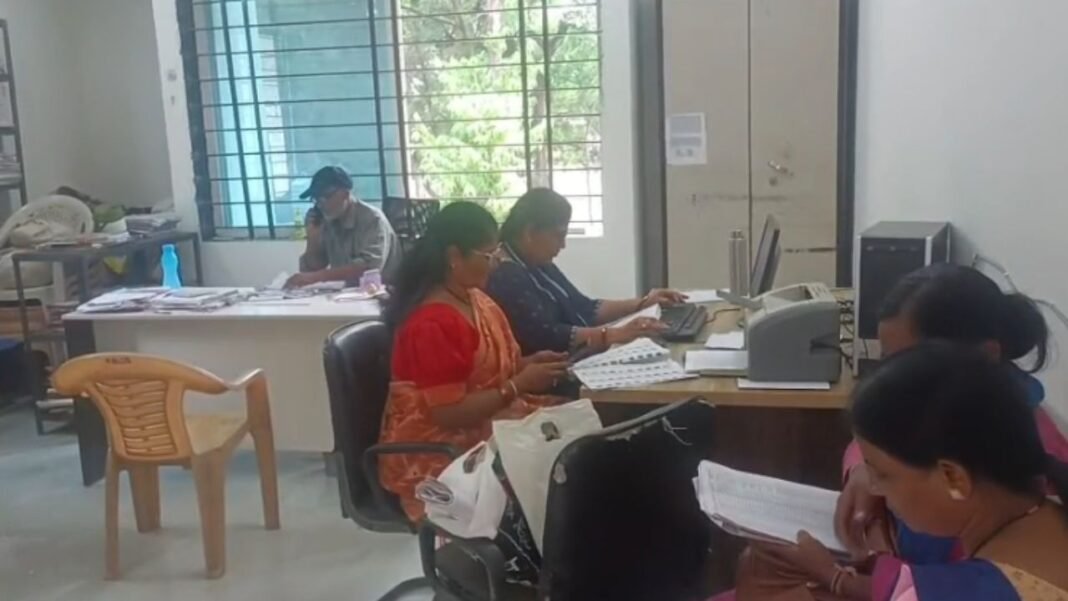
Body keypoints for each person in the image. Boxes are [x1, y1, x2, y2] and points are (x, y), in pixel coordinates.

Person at [749, 343, 1068, 601]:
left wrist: (833, 577)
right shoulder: (1046, 500)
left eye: (882, 475)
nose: (873, 489)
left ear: (953, 478)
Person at [835, 264, 1068, 563]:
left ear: (986, 355)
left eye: (909, 364)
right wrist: (865, 469)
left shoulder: (1022, 469)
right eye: (887, 361)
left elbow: (963, 579)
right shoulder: (942, 409)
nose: (893, 379)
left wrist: (846, 576)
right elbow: (879, 435)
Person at [378, 201, 569, 521]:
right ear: (454, 256)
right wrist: (517, 385)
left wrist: (529, 364)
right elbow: (448, 414)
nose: (495, 264)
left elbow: (483, 371)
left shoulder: (475, 299)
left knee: (580, 429)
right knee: (566, 459)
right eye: (487, 255)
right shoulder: (432, 323)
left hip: (481, 425)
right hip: (440, 454)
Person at [486, 188, 686, 355]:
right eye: (558, 236)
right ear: (529, 232)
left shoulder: (538, 262)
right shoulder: (506, 274)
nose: (563, 245)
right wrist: (613, 334)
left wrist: (643, 303)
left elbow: (584, 308)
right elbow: (547, 337)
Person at [285, 166, 400, 288]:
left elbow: (368, 268)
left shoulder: (372, 219)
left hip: (384, 291)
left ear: (345, 194)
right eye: (316, 199)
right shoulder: (327, 219)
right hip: (349, 292)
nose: (320, 204)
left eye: (325, 196)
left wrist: (317, 277)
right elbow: (311, 270)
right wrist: (313, 239)